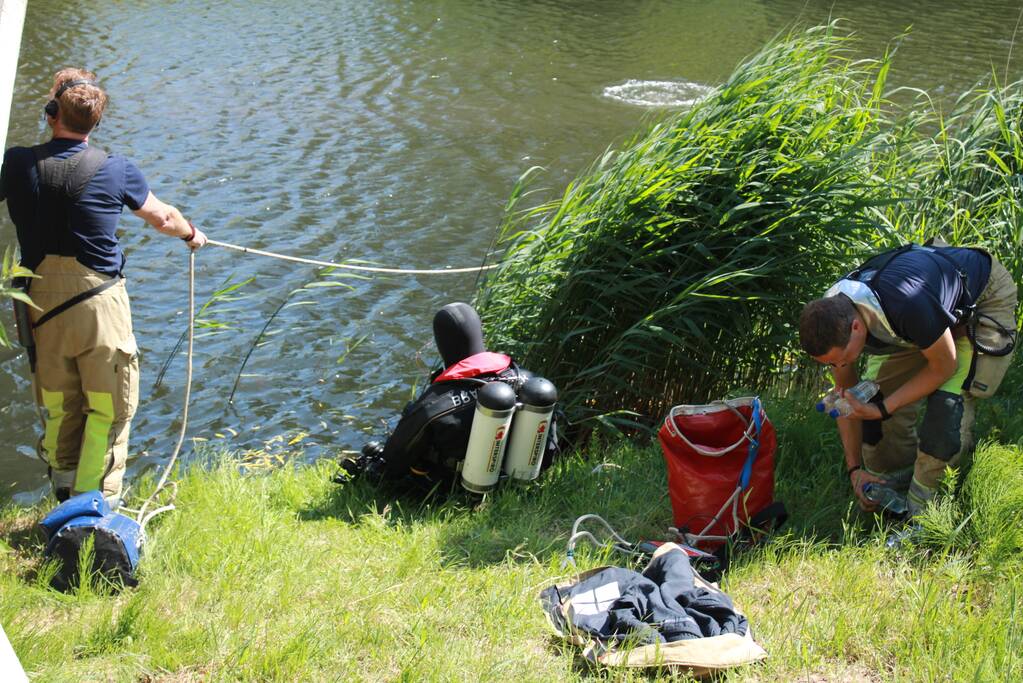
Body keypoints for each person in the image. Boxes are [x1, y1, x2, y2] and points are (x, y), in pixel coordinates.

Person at [0, 67, 208, 506]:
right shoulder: (116, 169)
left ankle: (63, 492)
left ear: (51, 112)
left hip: (38, 305)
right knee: (108, 408)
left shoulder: (17, 163)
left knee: (59, 405)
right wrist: (190, 232)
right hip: (99, 306)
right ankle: (96, 504)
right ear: (95, 123)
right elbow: (162, 218)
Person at [798, 241, 1017, 521]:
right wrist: (855, 470)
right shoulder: (832, 315)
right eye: (830, 365)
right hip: (924, 315)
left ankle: (924, 517)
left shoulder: (907, 304)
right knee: (873, 412)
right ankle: (894, 485)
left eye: (840, 361)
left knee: (946, 414)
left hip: (980, 300)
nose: (838, 368)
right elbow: (846, 401)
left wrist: (884, 408)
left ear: (856, 327)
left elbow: (944, 367)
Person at [345, 302, 559, 492]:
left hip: (454, 490)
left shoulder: (435, 402)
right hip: (523, 476)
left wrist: (372, 467)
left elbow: (393, 463)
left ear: (442, 342)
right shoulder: (527, 380)